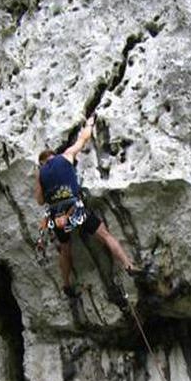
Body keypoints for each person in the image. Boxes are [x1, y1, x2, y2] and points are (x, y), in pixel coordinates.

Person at [34, 115, 139, 298]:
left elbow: (40, 201)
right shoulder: (66, 156)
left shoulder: (41, 173)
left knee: (65, 250)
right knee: (105, 235)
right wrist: (90, 123)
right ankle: (128, 265)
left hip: (58, 216)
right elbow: (83, 139)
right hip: (75, 209)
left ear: (42, 162)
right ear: (53, 155)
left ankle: (66, 284)